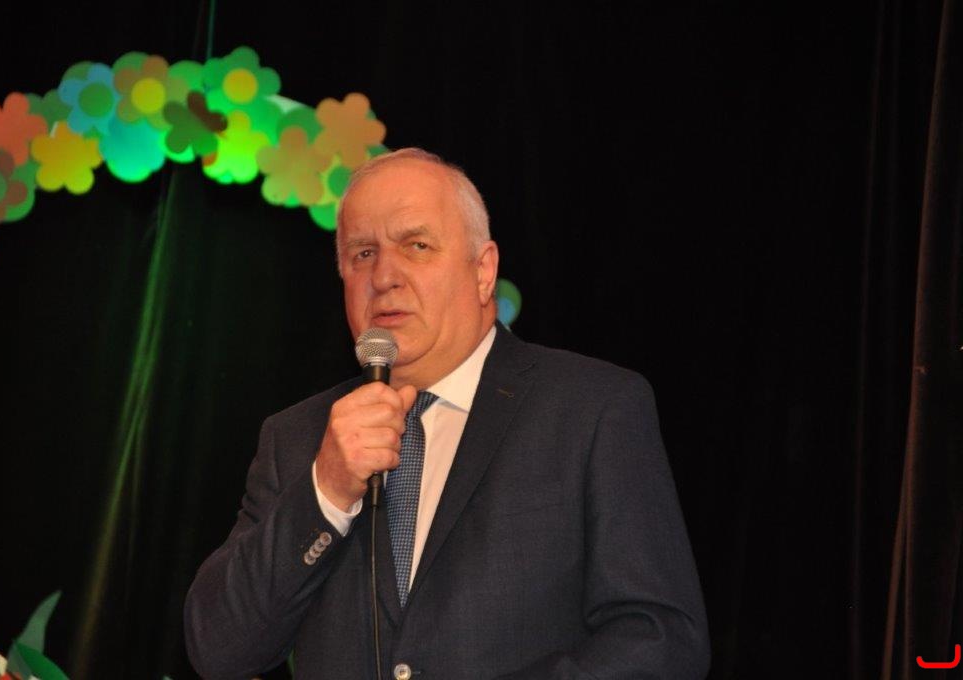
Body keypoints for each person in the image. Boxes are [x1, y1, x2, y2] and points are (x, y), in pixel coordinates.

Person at [184, 147, 710, 679]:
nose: (384, 276)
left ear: (483, 271)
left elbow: (660, 638)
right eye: (363, 253)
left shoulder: (591, 408)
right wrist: (327, 491)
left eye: (417, 246)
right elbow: (219, 649)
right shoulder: (299, 438)